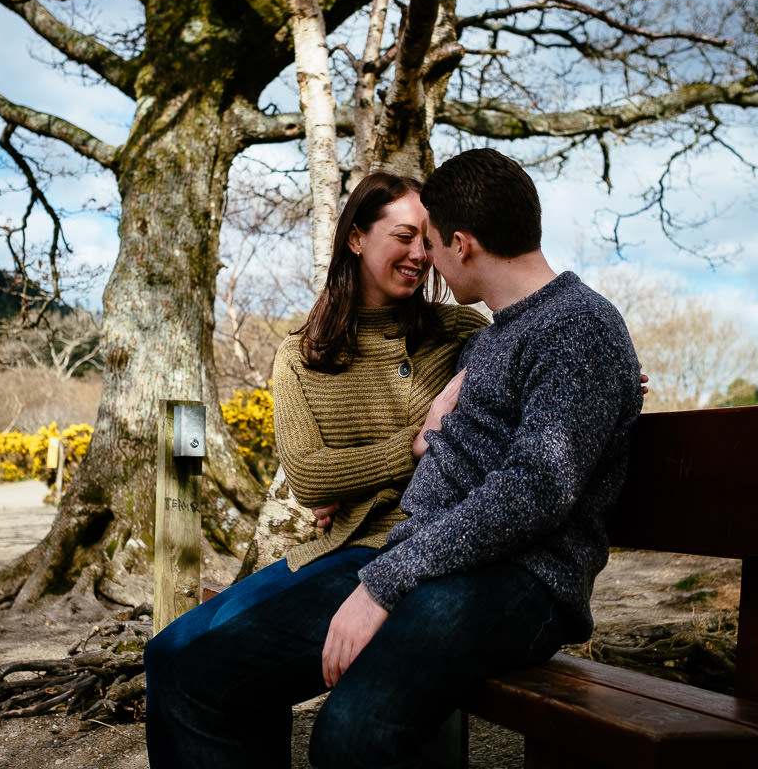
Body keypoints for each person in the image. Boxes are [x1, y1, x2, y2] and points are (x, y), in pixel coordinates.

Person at [146, 149, 644, 768]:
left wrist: (384, 580)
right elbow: (364, 469)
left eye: (429, 240)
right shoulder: (493, 339)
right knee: (193, 677)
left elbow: (534, 488)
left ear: (460, 244)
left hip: (521, 579)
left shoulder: (573, 326)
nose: (424, 257)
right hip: (426, 558)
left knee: (352, 734)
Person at [144, 171, 488, 765]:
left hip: (406, 554)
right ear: (356, 238)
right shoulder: (301, 355)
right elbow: (309, 476)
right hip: (336, 551)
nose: (419, 255)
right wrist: (409, 447)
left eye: (427, 241)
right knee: (165, 652)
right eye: (404, 236)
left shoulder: (459, 334)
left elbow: (524, 362)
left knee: (197, 676)